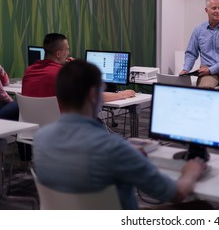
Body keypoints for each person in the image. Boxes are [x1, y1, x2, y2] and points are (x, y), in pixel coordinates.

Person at [33, 60, 207, 209]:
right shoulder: (113, 148)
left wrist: (129, 156)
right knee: (202, 207)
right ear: (94, 95)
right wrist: (191, 171)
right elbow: (175, 193)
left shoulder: (41, 138)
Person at [22, 33, 135, 101]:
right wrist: (123, 94)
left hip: (32, 130)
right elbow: (96, 96)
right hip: (62, 130)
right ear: (58, 53)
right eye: (67, 49)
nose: (69, 53)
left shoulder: (29, 70)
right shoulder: (62, 75)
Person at [180, 0, 219, 88]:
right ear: (206, 10)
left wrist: (212, 69)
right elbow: (191, 53)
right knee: (205, 89)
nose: (217, 11)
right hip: (207, 72)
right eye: (214, 8)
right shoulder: (199, 30)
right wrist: (186, 69)